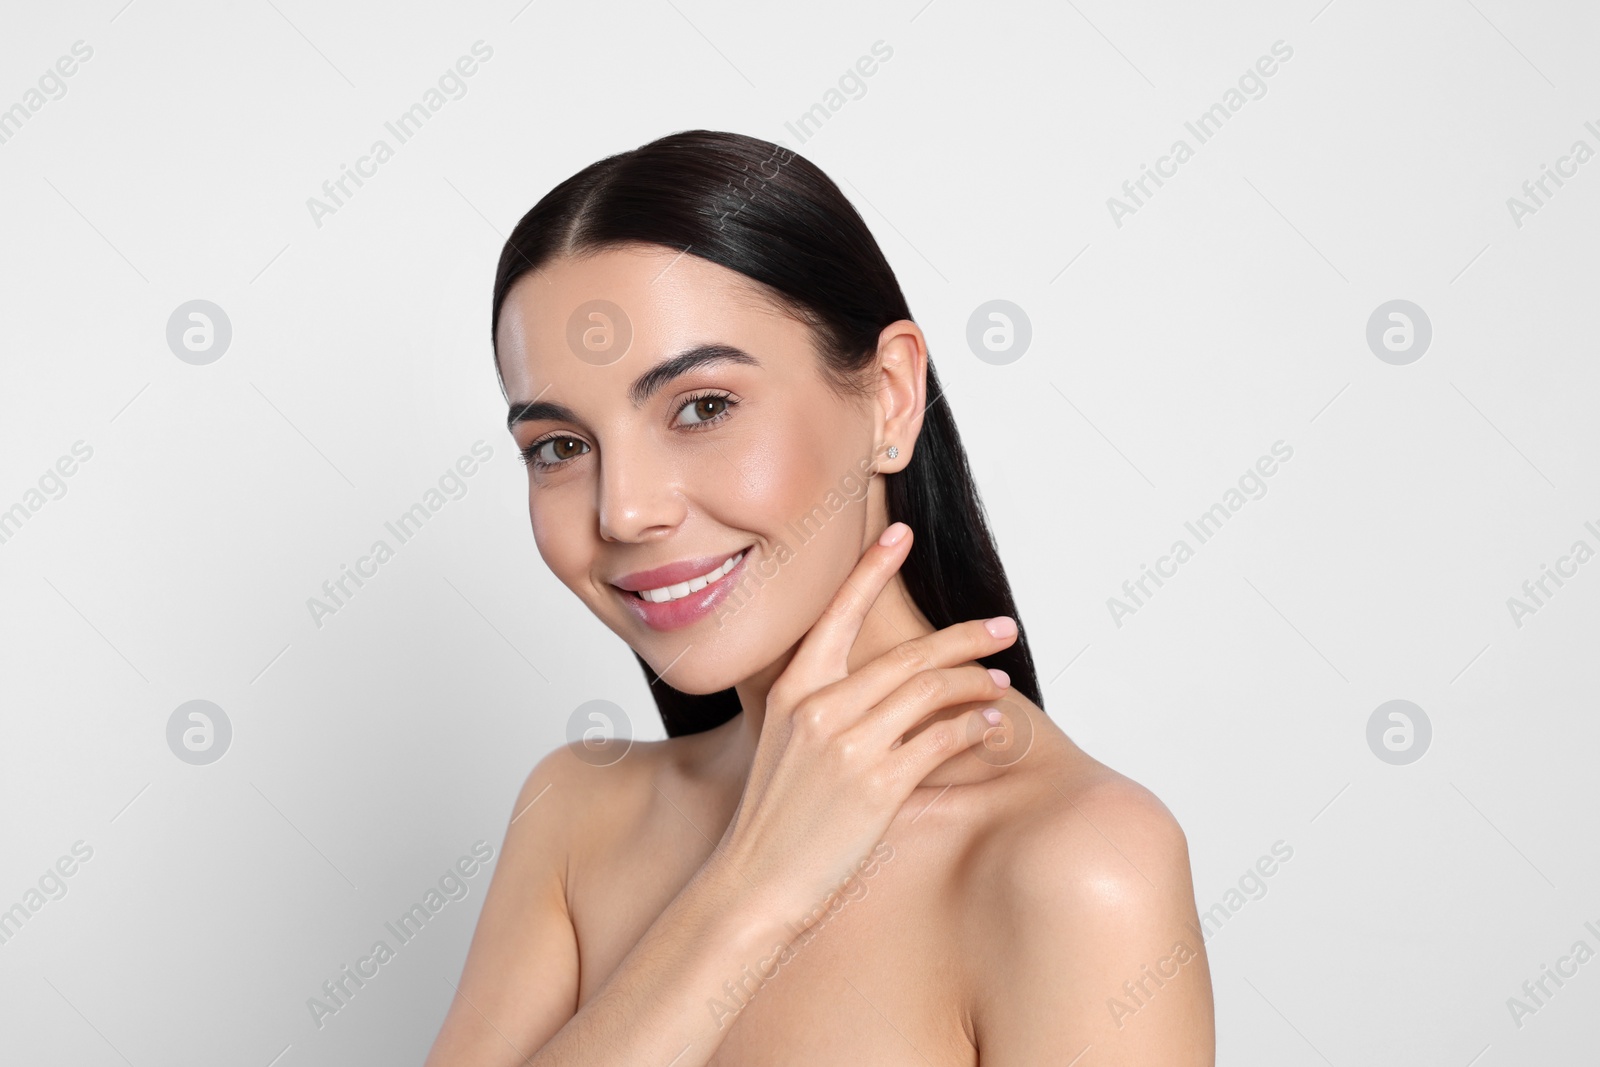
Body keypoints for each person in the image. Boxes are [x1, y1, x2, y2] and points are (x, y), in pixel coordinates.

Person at [425, 129, 1214, 1065]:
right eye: (559, 445)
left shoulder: (1080, 866)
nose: (626, 509)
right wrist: (756, 886)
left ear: (888, 397)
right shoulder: (575, 814)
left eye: (702, 406)